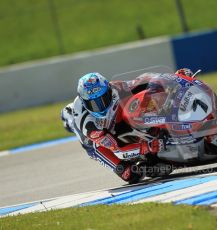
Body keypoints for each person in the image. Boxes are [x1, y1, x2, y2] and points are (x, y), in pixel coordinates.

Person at [61, 69, 193, 183]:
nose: (100, 106)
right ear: (85, 103)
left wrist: (174, 79)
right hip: (99, 145)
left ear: (108, 90)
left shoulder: (116, 88)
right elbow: (118, 149)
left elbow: (142, 81)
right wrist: (145, 147)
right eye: (94, 104)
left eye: (103, 99)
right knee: (130, 175)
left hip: (114, 121)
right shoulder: (89, 126)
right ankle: (146, 162)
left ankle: (160, 131)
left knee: (140, 100)